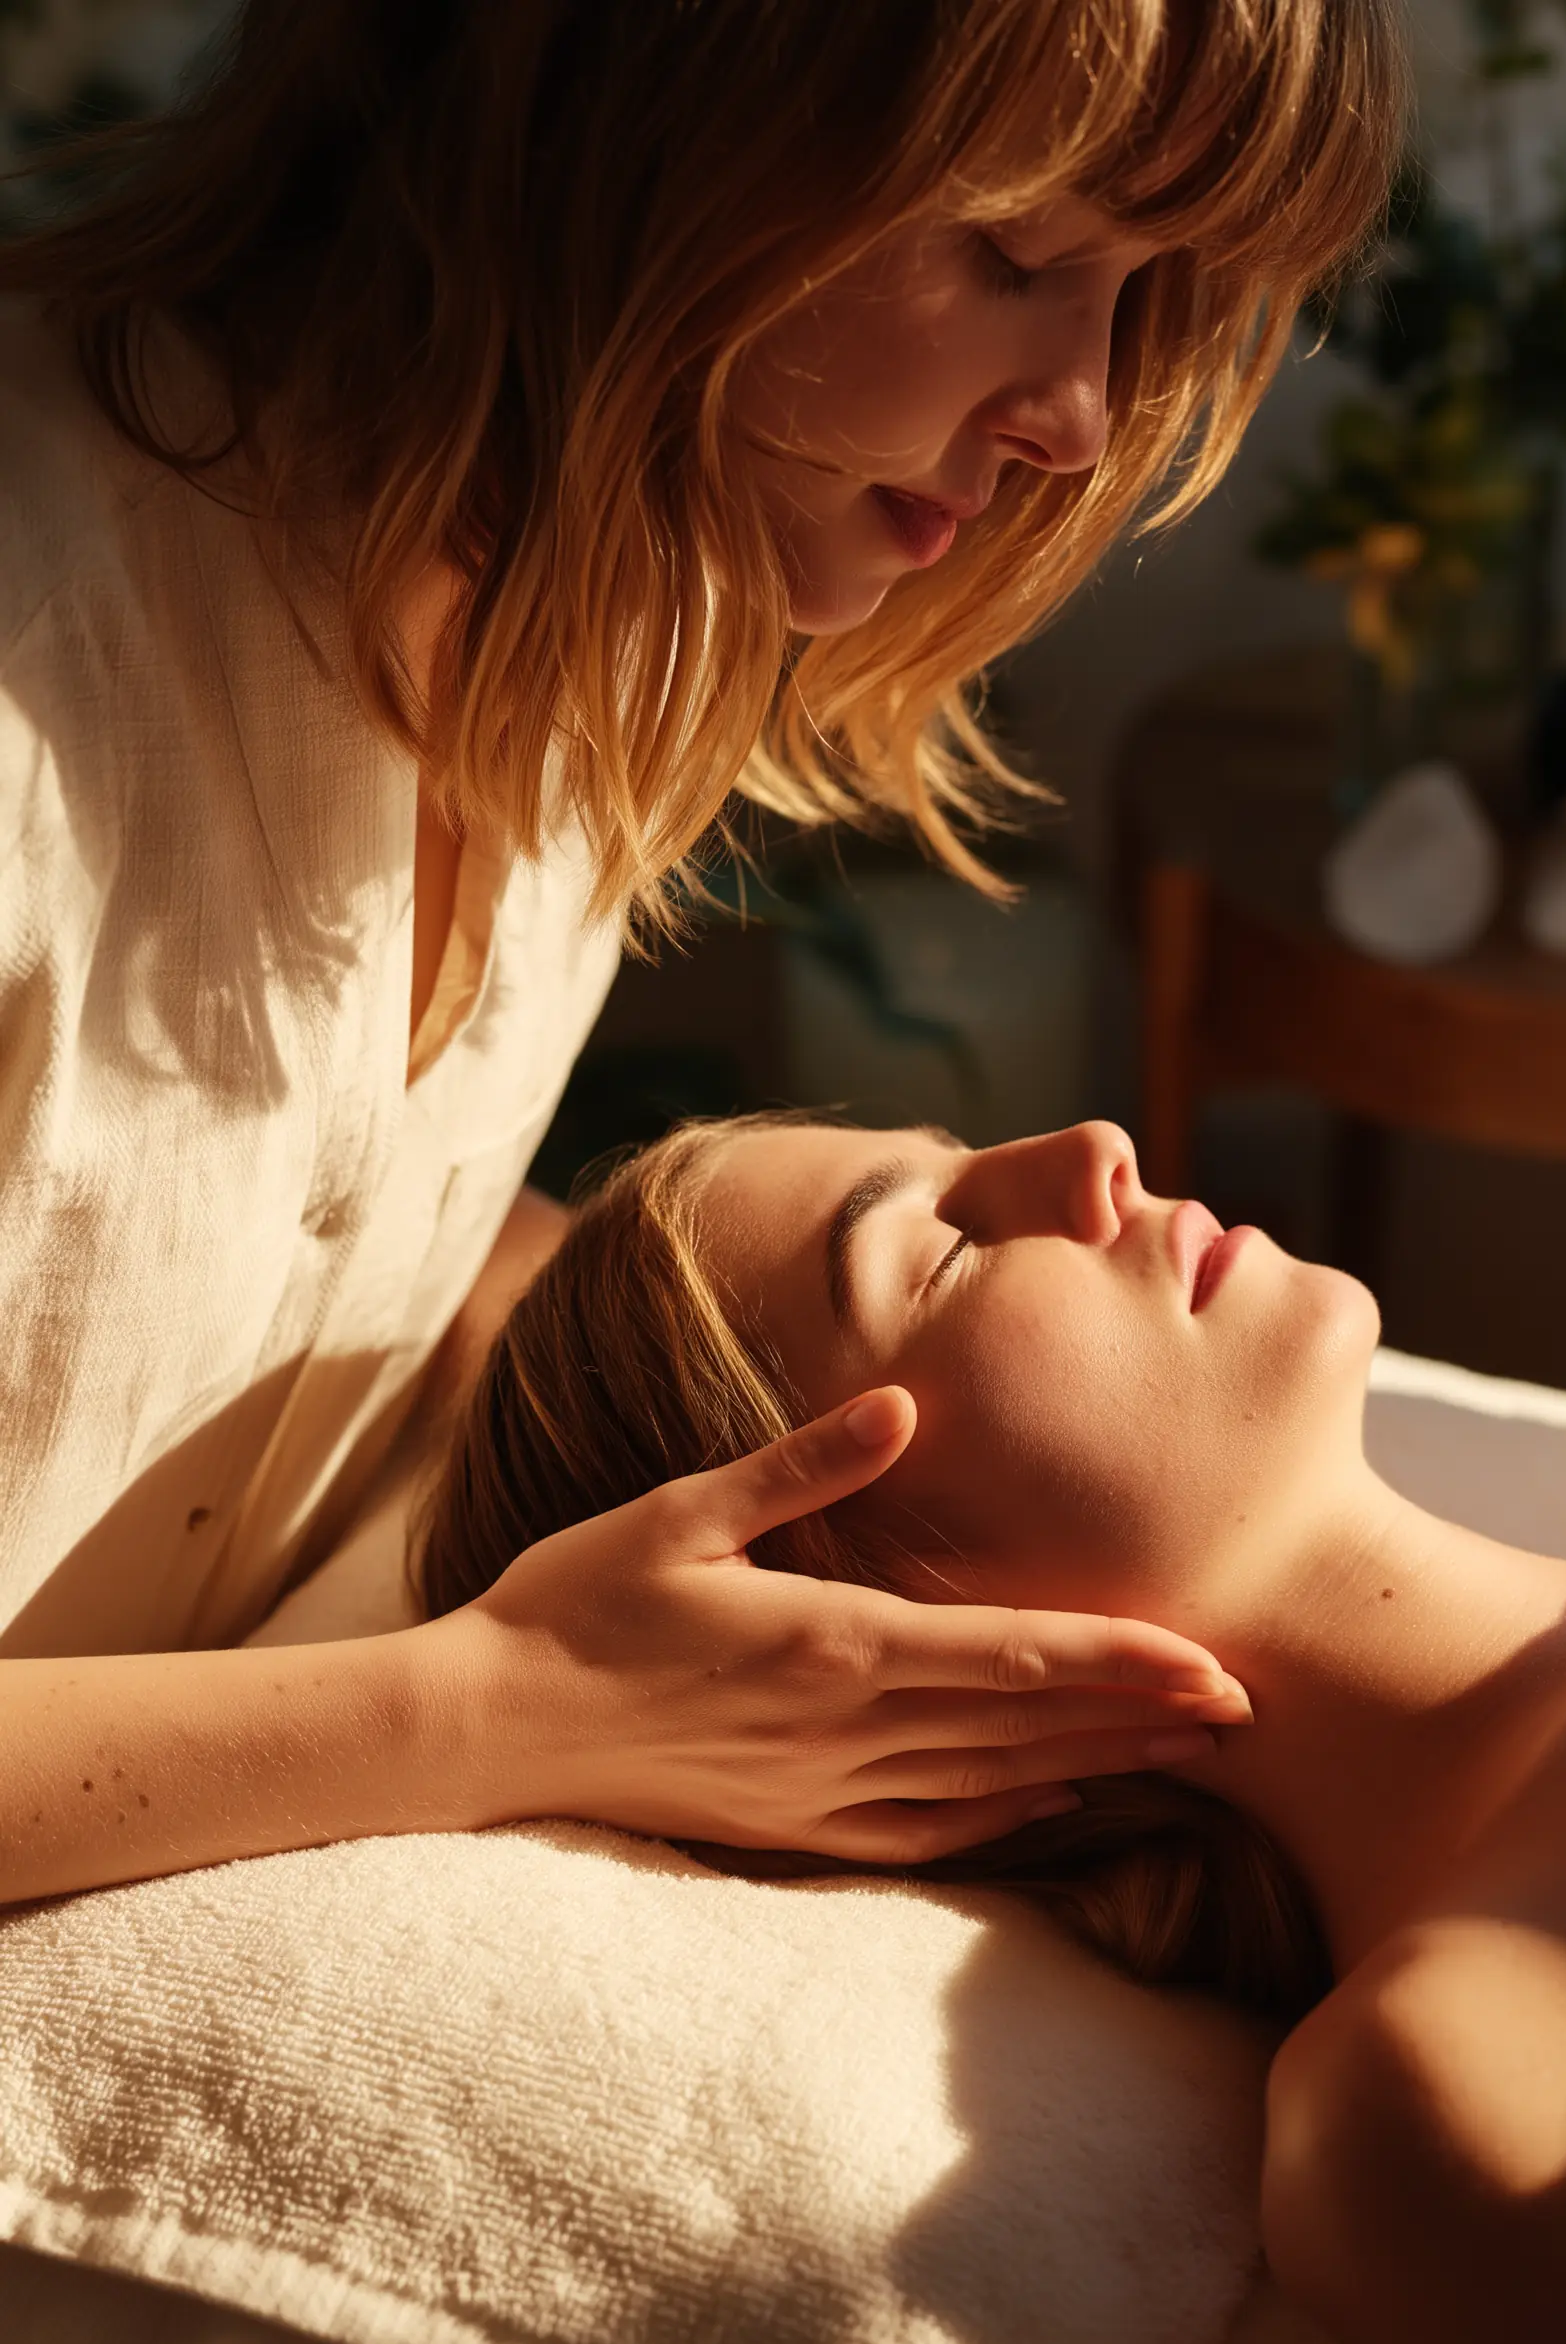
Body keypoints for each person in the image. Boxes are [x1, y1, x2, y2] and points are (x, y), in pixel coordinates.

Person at [0, 0, 1405, 1907]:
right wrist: (504, 1713)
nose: (1078, 416)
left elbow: (241, 1269)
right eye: (1017, 254)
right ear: (647, 107)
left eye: (1139, 294)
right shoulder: (38, 672)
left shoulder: (592, 629)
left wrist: (751, 1428)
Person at [416, 1107, 1566, 2344]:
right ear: (846, 1634)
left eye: (962, 1151)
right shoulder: (1446, 2088)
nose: (1090, 1153)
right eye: (932, 1252)